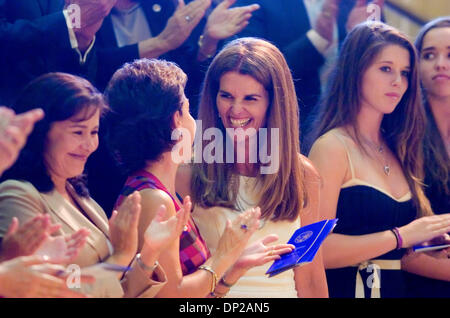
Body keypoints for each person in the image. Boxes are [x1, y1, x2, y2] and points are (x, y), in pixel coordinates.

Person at [105, 58, 294, 298]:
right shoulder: (155, 199)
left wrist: (234, 266)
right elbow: (174, 296)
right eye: (186, 109)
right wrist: (224, 253)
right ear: (176, 120)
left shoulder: (156, 190)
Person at [0, 72, 189, 298]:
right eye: (78, 132)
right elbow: (52, 291)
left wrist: (149, 251)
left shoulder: (80, 195)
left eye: (94, 132)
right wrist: (120, 256)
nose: (89, 144)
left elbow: (120, 292)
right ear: (41, 132)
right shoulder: (18, 194)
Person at [176, 37, 328, 298]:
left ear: (274, 103)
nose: (235, 110)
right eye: (226, 96)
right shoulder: (187, 172)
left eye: (250, 98)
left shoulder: (303, 174)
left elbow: (311, 277)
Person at [307, 21, 450, 298]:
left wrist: (427, 241)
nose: (398, 82)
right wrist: (402, 236)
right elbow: (314, 250)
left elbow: (403, 247)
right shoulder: (332, 147)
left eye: (405, 73)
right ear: (356, 71)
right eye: (386, 69)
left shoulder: (400, 146)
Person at [231, 0, 385, 146]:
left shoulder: (362, 4)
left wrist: (359, 39)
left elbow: (385, 69)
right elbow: (251, 74)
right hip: (284, 135)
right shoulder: (254, 3)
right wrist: (316, 40)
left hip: (352, 130)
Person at [401, 16, 450, 298]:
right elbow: (404, 250)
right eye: (429, 55)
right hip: (422, 284)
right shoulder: (405, 137)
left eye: (449, 54)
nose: (441, 63)